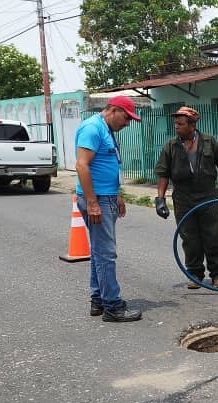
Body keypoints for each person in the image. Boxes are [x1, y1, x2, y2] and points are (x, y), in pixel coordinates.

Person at [153, 106, 218, 289]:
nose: (176, 127)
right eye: (175, 123)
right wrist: (160, 199)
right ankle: (194, 274)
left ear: (192, 125)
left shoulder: (209, 142)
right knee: (189, 238)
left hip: (207, 195)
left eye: (180, 124)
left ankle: (217, 275)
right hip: (183, 198)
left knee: (212, 236)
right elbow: (163, 174)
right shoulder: (171, 146)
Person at [76, 96, 143, 322]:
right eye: (126, 118)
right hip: (98, 199)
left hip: (107, 196)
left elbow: (107, 164)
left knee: (98, 251)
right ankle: (112, 306)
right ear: (114, 110)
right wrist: (93, 202)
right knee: (106, 253)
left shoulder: (105, 129)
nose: (127, 124)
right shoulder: (92, 128)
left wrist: (117, 194)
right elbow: (81, 165)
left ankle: (98, 299)